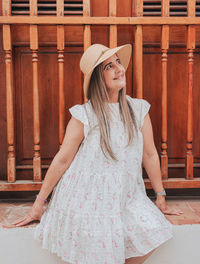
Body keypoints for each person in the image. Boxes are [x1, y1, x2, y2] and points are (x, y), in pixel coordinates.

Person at [12, 43, 183, 264]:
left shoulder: (138, 110)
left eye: (118, 63)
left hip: (126, 196)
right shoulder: (85, 114)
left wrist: (160, 196)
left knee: (153, 230)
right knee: (101, 247)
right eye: (109, 67)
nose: (119, 69)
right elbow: (63, 159)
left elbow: (149, 155)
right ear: (96, 79)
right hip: (87, 197)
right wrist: (39, 204)